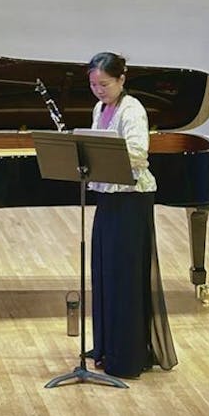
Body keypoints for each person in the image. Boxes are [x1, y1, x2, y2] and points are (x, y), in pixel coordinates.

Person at [86, 52, 178, 379]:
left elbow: (139, 152)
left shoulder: (132, 109)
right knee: (106, 270)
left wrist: (102, 152)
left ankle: (128, 355)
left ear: (122, 80)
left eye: (105, 84)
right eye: (94, 84)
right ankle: (109, 345)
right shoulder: (100, 108)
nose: (99, 90)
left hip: (131, 199)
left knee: (125, 275)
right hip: (109, 196)